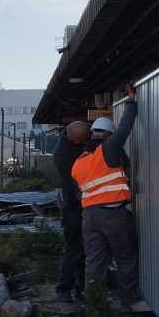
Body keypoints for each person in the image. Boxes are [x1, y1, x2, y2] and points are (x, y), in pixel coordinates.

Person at [71, 84, 150, 313]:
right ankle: (130, 302)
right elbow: (125, 127)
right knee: (125, 258)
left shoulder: (79, 163)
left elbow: (81, 192)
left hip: (89, 217)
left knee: (94, 262)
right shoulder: (109, 148)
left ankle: (93, 306)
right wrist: (131, 101)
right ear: (107, 135)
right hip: (113, 215)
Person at [54, 120, 91, 302]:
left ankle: (80, 288)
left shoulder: (77, 140)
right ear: (72, 138)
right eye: (79, 141)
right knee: (74, 249)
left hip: (79, 206)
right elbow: (73, 188)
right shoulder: (63, 155)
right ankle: (64, 289)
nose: (82, 143)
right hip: (73, 208)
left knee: (81, 250)